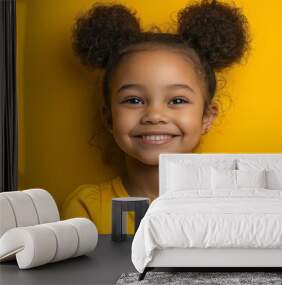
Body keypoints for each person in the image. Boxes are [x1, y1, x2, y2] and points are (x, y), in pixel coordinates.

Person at [61, 0, 251, 234]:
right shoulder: (87, 208)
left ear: (206, 118)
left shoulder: (231, 207)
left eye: (177, 101)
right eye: (134, 100)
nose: (154, 115)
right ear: (109, 118)